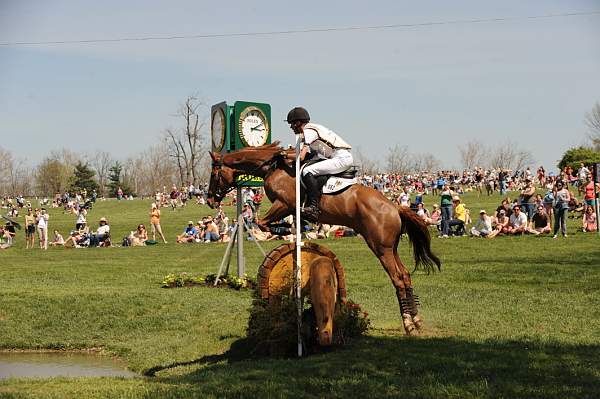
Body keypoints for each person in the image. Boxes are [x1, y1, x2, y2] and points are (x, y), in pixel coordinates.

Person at [286, 106, 353, 221]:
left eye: (291, 124)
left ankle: (314, 206)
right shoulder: (308, 132)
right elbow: (309, 156)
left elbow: (301, 156)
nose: (291, 127)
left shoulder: (308, 131)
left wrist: (283, 155)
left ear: (298, 123)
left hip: (341, 158)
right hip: (339, 157)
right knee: (311, 168)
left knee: (307, 170)